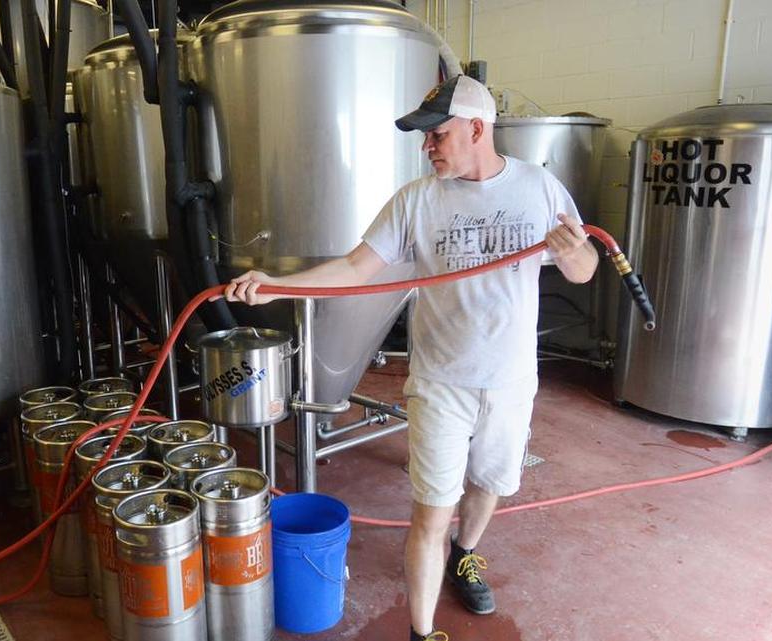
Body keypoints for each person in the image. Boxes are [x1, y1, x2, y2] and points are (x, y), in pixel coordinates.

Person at [223, 74, 598, 641]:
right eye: (424, 137)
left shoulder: (538, 190)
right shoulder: (417, 201)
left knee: (491, 483)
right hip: (441, 381)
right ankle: (423, 633)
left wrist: (576, 256)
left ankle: (465, 553)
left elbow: (585, 267)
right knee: (430, 513)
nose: (427, 147)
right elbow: (355, 269)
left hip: (511, 379)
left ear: (477, 128)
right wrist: (278, 285)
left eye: (437, 135)